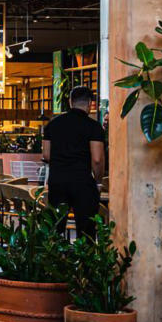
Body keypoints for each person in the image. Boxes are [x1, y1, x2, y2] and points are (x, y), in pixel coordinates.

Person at [43, 85, 105, 239]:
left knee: (56, 229)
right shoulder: (94, 127)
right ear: (90, 103)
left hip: (57, 181)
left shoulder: (52, 125)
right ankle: (84, 262)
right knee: (86, 231)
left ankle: (57, 260)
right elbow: (97, 159)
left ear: (70, 101)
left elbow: (46, 154)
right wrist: (98, 182)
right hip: (82, 181)